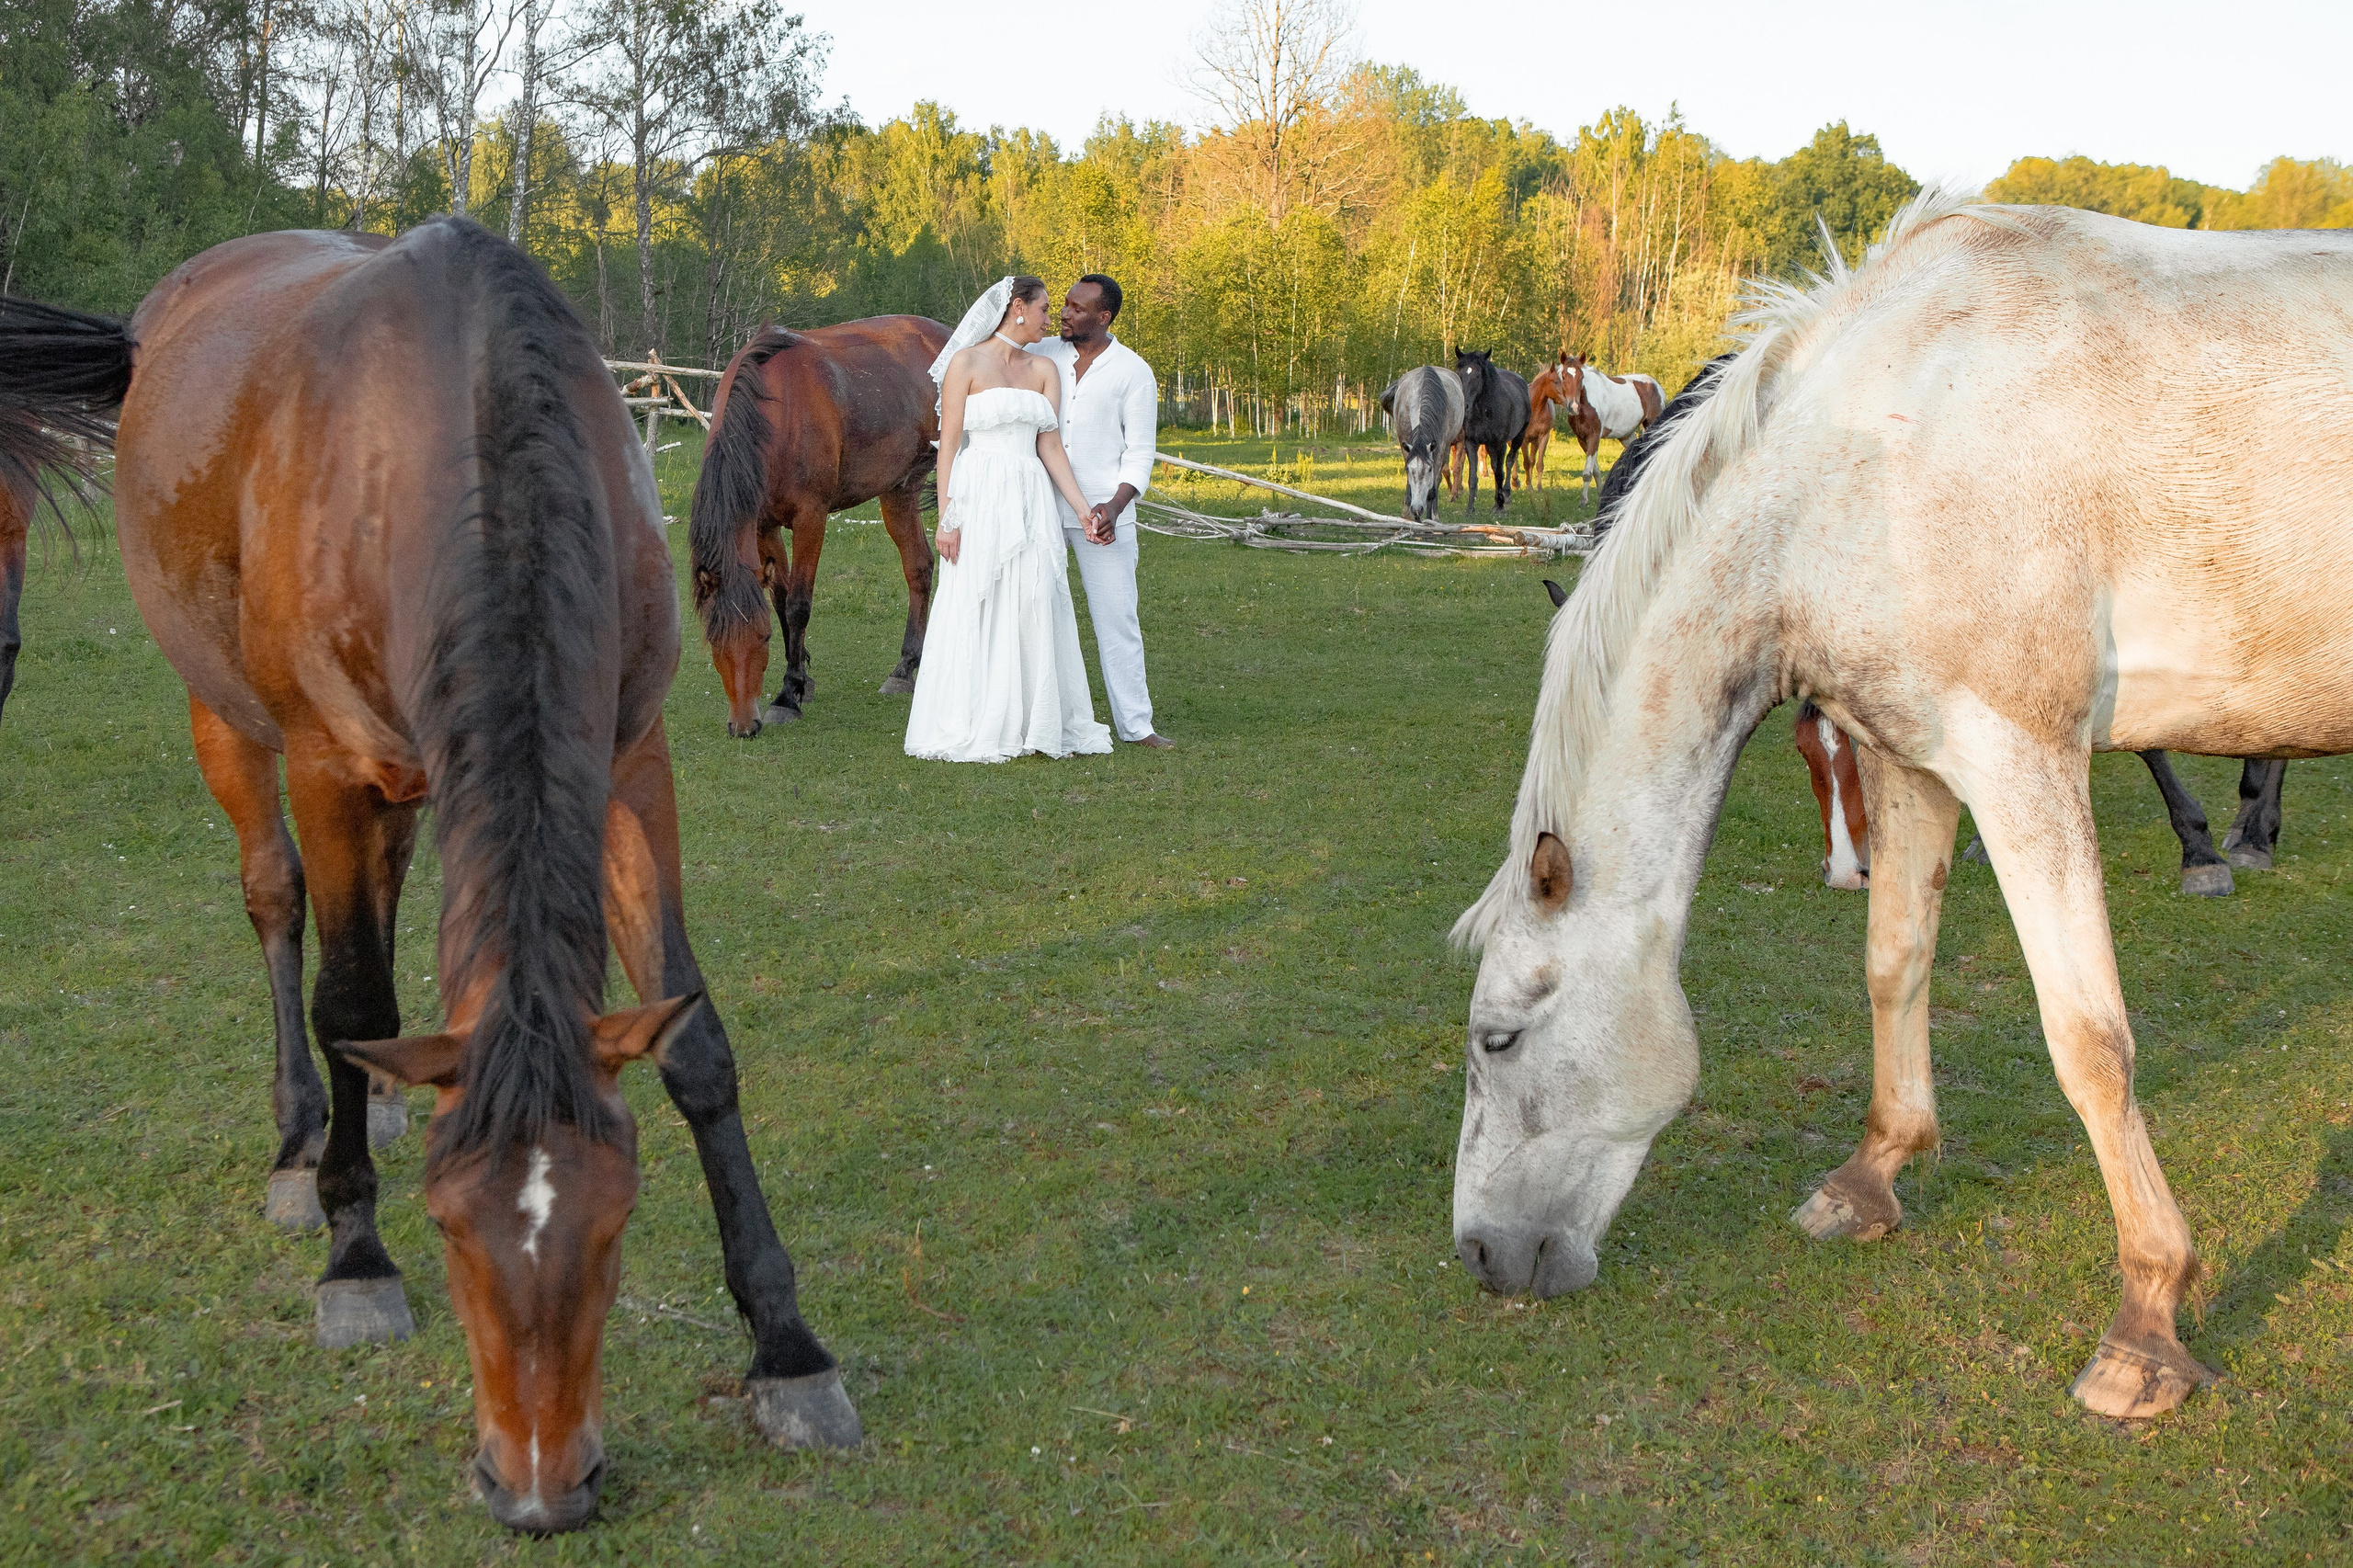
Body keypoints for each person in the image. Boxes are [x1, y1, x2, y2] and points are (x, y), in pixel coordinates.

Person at [904, 277, 1114, 764]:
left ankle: (1032, 719)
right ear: (1017, 308)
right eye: (1044, 308)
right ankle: (975, 717)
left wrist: (1084, 510)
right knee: (978, 597)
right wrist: (948, 518)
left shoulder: (1044, 370)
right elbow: (950, 446)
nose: (1051, 318)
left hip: (1028, 495)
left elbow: (1051, 447)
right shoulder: (966, 363)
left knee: (1035, 596)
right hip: (978, 493)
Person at [1028, 274, 1173, 748]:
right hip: (1040, 506)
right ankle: (1037, 720)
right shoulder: (1043, 353)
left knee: (1116, 619)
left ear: (1103, 317)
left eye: (1075, 308)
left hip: (1104, 518)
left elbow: (1140, 452)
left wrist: (1113, 506)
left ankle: (1137, 727)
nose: (1063, 314)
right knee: (1033, 612)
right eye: (1062, 306)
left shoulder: (1133, 372)